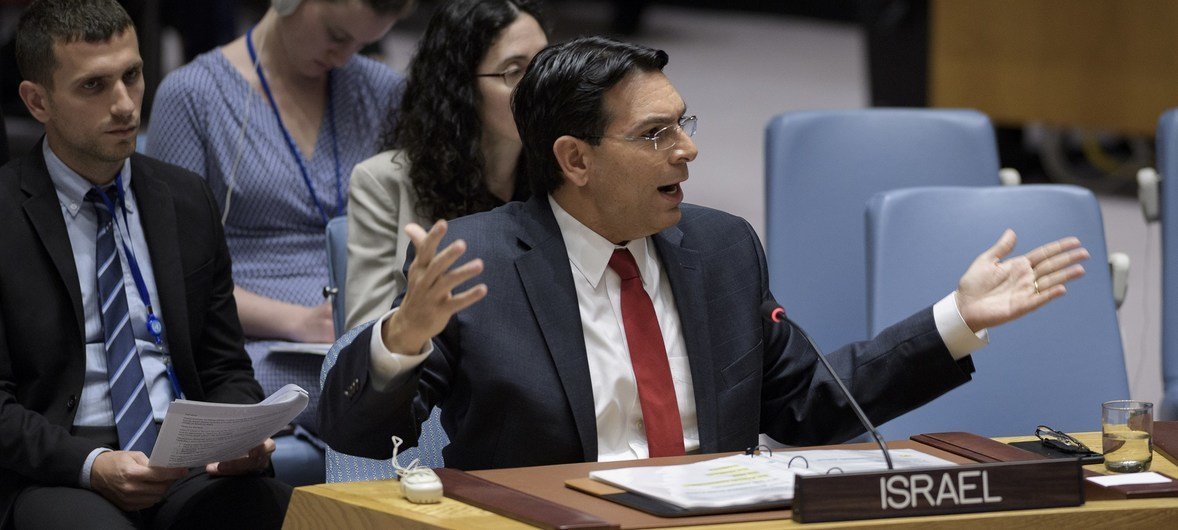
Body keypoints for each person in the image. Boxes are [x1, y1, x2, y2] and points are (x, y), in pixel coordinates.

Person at [319, 36, 1090, 469]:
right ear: (574, 159)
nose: (688, 150)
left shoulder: (720, 248)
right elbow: (356, 435)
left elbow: (809, 405)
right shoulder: (479, 261)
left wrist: (955, 317)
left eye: (684, 122)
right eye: (656, 135)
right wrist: (401, 340)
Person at [0, 1, 290, 528]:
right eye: (94, 86)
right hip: (60, 465)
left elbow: (224, 366)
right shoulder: (4, 213)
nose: (125, 105)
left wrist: (241, 434)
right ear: (37, 101)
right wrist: (91, 465)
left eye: (132, 76)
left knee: (266, 508)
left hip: (184, 453)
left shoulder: (184, 199)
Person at [145, 0, 412, 451]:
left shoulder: (382, 91)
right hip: (259, 339)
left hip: (373, 325)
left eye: (365, 43)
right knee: (369, 384)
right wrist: (299, 323)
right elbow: (170, 274)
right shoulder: (195, 97)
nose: (344, 57)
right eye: (336, 35)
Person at [345, 0, 548, 329]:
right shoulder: (384, 182)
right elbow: (361, 343)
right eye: (515, 71)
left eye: (545, 65)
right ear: (462, 87)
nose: (540, 86)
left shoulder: (567, 176)